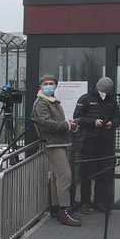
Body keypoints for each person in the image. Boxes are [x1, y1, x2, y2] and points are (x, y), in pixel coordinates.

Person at [30, 74, 81, 227]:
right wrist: (67, 125)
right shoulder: (41, 103)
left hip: (59, 142)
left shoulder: (52, 101)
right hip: (53, 144)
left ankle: (56, 207)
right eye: (45, 83)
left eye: (51, 83)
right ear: (40, 86)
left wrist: (68, 124)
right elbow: (46, 124)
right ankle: (64, 209)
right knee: (65, 176)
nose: (48, 86)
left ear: (56, 85)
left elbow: (54, 122)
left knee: (56, 177)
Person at [73, 76, 120, 212]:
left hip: (106, 142)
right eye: (103, 91)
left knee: (103, 173)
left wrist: (112, 123)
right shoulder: (85, 99)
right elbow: (77, 118)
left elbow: (118, 117)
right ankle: (85, 202)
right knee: (86, 173)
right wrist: (93, 122)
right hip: (89, 141)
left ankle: (99, 202)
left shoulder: (112, 100)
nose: (105, 94)